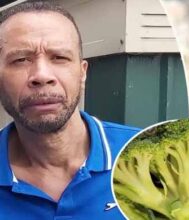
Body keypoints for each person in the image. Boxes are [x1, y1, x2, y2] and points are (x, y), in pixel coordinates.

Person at [0, 1, 140, 219]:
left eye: (59, 58)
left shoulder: (148, 157)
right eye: (21, 59)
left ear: (82, 73)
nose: (42, 75)